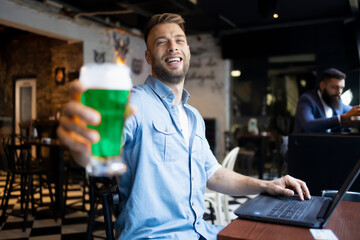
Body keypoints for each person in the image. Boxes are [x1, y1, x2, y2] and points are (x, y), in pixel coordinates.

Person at [57, 13, 311, 240]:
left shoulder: (193, 116)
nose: (172, 47)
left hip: (201, 231)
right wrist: (84, 145)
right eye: (161, 42)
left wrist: (266, 185)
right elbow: (97, 149)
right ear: (148, 56)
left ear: (188, 51)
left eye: (179, 40)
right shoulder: (134, 102)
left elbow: (213, 174)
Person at [293, 68, 360, 133]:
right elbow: (308, 125)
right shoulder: (307, 100)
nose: (339, 92)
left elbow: (351, 111)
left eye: (341, 88)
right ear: (322, 85)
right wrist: (341, 119)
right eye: (335, 87)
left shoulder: (338, 102)